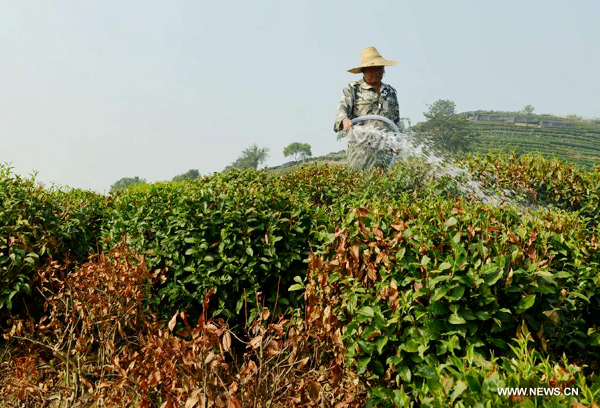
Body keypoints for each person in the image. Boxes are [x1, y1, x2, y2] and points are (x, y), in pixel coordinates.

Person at [334, 46, 402, 170]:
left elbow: (396, 121)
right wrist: (344, 121)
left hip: (385, 150)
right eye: (372, 69)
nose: (377, 72)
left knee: (384, 184)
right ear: (363, 71)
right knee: (360, 184)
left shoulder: (390, 92)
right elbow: (342, 109)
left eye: (380, 68)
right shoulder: (353, 89)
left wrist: (399, 141)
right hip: (360, 150)